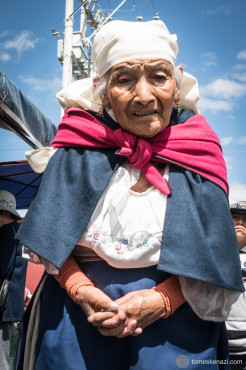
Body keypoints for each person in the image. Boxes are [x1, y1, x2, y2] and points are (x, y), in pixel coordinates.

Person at [15, 20, 244, 370]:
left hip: (178, 331)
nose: (145, 95)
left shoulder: (201, 152)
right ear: (103, 90)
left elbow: (216, 259)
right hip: (76, 323)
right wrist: (80, 289)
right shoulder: (74, 150)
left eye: (158, 76)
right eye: (124, 80)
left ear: (177, 84)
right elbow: (48, 243)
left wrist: (164, 300)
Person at [0, 191, 27, 370]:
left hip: (3, 306)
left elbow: (2, 267)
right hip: (10, 305)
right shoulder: (17, 231)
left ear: (4, 214)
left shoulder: (6, 232)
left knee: (2, 359)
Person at [226, 201, 246, 369]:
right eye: (234, 217)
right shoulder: (211, 255)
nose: (240, 223)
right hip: (215, 338)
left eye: (245, 220)